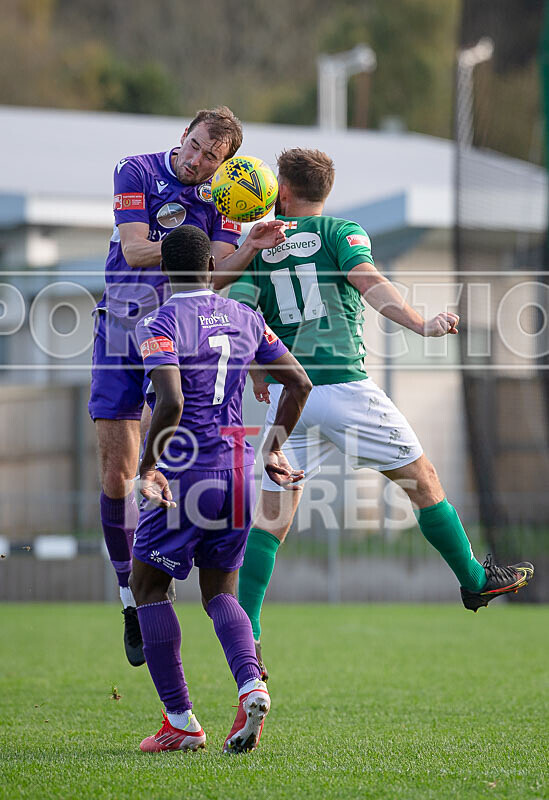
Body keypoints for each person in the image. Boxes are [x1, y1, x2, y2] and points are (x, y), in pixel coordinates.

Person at [216, 147, 535, 678]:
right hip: (344, 389)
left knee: (269, 523)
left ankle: (248, 638)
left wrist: (256, 370)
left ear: (282, 191)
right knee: (423, 482)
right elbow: (369, 283)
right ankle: (475, 580)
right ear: (324, 192)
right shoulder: (340, 232)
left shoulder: (259, 245)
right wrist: (421, 324)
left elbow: (239, 312)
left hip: (293, 400)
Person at [88, 106, 286, 666]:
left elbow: (212, 278)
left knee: (177, 459)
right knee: (117, 474)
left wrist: (245, 248)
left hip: (180, 335)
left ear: (224, 163)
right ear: (184, 135)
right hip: (122, 329)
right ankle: (130, 595)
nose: (197, 161)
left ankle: (164, 580)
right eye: (195, 146)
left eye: (211, 157)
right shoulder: (136, 169)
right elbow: (134, 250)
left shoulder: (225, 198)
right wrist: (194, 245)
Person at [130, 224, 311, 753]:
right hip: (235, 472)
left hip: (184, 474)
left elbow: (171, 402)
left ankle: (180, 721)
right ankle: (252, 683)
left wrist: (148, 466)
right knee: (221, 594)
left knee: (147, 588)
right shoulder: (247, 317)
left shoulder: (158, 323)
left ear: (165, 270)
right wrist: (272, 447)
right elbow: (299, 382)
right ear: (212, 266)